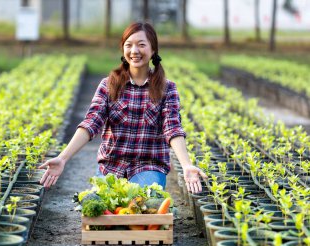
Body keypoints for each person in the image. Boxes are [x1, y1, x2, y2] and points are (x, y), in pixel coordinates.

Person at [39, 22, 207, 193]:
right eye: (129, 45)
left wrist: (186, 165)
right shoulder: (109, 85)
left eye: (141, 45)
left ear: (153, 50)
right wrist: (63, 158)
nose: (134, 51)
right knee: (100, 210)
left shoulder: (167, 88)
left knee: (144, 206)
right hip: (112, 167)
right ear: (123, 49)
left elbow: (172, 128)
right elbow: (91, 123)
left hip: (148, 166)